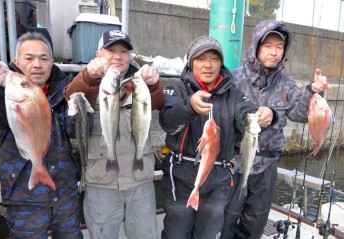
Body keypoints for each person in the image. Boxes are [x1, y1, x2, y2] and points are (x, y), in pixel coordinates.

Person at [158, 35, 275, 239]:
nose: (208, 65)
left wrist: (264, 116)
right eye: (200, 59)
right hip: (180, 175)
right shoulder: (176, 89)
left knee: (210, 234)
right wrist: (189, 108)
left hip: (219, 178)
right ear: (191, 62)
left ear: (221, 63)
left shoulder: (234, 95)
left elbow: (245, 114)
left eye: (214, 58)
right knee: (176, 232)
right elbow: (168, 122)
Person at [222, 19, 329, 239]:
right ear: (256, 47)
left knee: (254, 226)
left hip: (267, 168)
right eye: (268, 46)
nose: (274, 52)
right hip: (234, 163)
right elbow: (222, 115)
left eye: (279, 47)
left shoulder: (287, 85)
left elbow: (300, 114)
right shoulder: (234, 79)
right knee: (225, 221)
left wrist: (313, 91)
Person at [64, 29, 164, 239]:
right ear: (99, 53)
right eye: (111, 50)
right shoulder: (87, 81)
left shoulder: (140, 82)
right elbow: (72, 111)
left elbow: (158, 103)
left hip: (140, 182)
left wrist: (154, 84)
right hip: (101, 181)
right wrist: (89, 78)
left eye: (124, 51)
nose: (118, 56)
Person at [0, 32, 83, 238]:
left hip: (65, 194)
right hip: (24, 197)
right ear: (16, 62)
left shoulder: (65, 90)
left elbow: (74, 130)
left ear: (52, 62)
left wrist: (77, 105)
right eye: (29, 58)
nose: (37, 64)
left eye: (43, 58)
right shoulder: (6, 91)